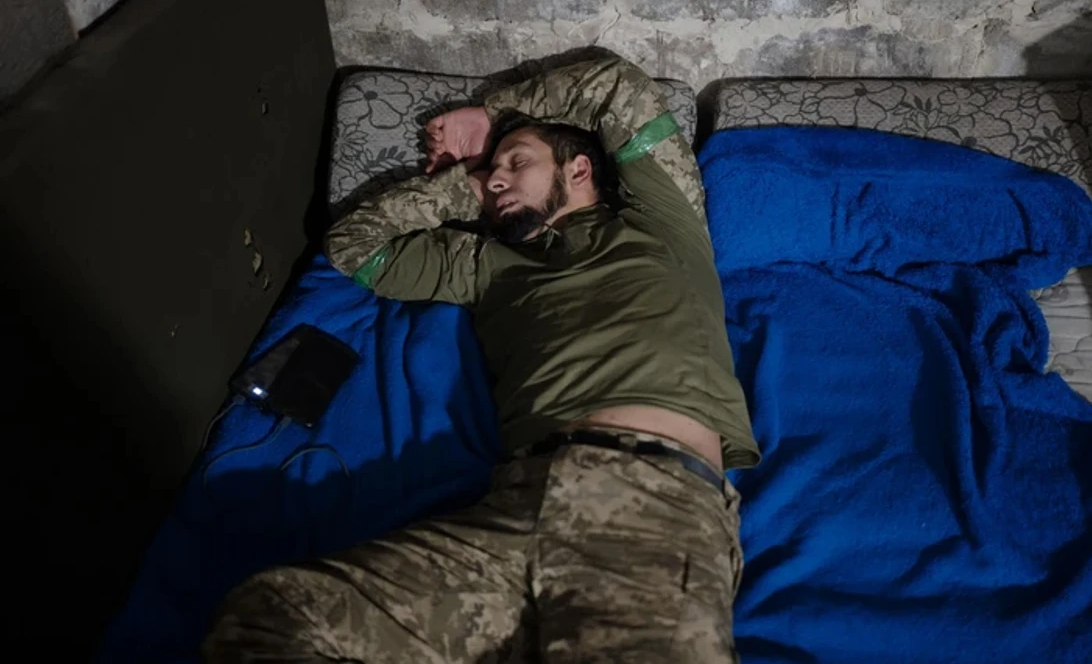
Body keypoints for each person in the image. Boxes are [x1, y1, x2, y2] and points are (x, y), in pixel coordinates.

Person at [204, 54, 760, 663]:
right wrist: (463, 184)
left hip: (652, 507)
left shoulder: (664, 224)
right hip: (515, 508)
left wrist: (488, 117)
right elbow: (351, 248)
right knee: (272, 616)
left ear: (579, 170)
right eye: (492, 172)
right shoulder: (481, 265)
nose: (497, 179)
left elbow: (612, 85)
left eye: (517, 162)